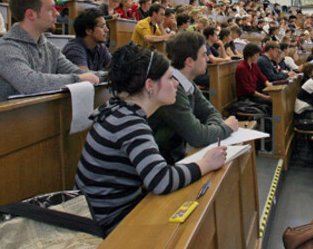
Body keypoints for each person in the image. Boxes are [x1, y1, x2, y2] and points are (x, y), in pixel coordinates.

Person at [77, 45, 228, 236]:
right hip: (107, 224)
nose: (176, 84)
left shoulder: (121, 110)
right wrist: (206, 163)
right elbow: (160, 180)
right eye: (170, 78)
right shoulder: (129, 122)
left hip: (104, 213)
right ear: (150, 85)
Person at [0, 0, 99, 105]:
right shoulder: (5, 49)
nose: (57, 13)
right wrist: (78, 79)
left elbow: (77, 72)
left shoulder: (49, 48)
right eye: (51, 9)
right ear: (31, 14)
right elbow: (30, 84)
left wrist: (112, 76)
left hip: (26, 117)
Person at [149, 31, 239, 164]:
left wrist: (212, 128)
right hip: (160, 165)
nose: (208, 59)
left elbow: (210, 112)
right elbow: (197, 136)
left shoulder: (187, 82)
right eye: (203, 55)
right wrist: (227, 128)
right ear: (189, 61)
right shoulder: (171, 88)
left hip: (173, 158)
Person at [62, 8, 112, 72]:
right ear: (89, 31)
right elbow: (85, 76)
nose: (107, 30)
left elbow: (115, 69)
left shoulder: (100, 47)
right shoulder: (74, 49)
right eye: (102, 27)